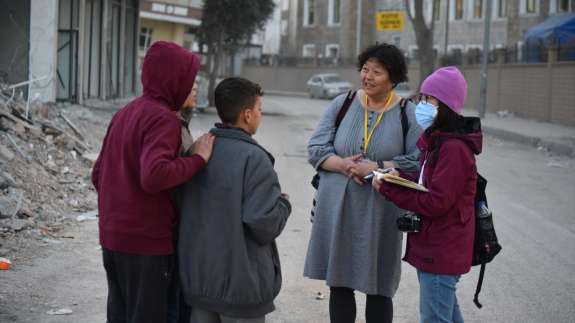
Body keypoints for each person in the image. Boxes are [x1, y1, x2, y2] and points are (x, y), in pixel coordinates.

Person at [91, 41, 215, 323]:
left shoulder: (125, 112)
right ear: (172, 79)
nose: (194, 86)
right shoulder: (164, 119)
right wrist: (198, 160)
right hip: (146, 247)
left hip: (113, 240)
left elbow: (98, 174)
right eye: (189, 78)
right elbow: (155, 175)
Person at [304, 43, 423, 323]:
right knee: (340, 283)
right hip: (338, 208)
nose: (367, 77)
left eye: (377, 72)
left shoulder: (409, 112)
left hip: (381, 210)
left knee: (380, 287)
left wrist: (377, 167)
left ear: (393, 78)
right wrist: (343, 164)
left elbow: (417, 160)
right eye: (365, 69)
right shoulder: (342, 103)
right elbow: (316, 148)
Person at [178, 77, 292, 323]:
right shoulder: (255, 159)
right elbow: (263, 223)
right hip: (241, 289)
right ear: (247, 115)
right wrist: (283, 205)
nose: (261, 115)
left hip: (200, 282)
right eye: (260, 110)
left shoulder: (199, 149)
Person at [373, 66, 480, 323]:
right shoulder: (438, 142)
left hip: (441, 249)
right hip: (436, 246)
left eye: (429, 99)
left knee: (435, 318)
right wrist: (397, 178)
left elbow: (435, 202)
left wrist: (389, 189)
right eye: (422, 98)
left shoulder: (453, 148)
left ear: (445, 104)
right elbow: (426, 182)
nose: (423, 105)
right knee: (447, 316)